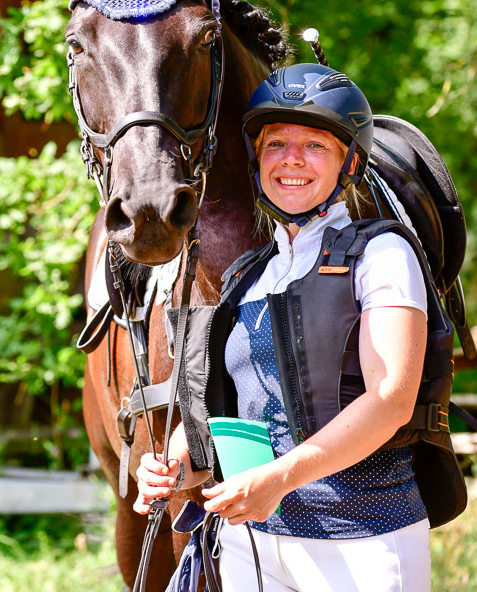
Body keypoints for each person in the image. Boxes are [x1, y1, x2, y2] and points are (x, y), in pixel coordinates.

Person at [134, 63, 432, 592]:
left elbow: (391, 401)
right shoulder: (246, 276)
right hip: (252, 546)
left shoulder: (381, 254)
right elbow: (218, 411)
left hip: (364, 540)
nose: (291, 159)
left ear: (351, 162)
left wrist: (279, 479)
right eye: (275, 143)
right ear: (257, 160)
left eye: (315, 145)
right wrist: (175, 467)